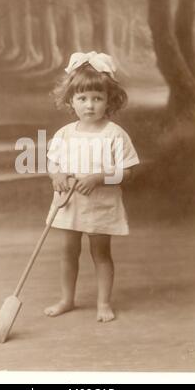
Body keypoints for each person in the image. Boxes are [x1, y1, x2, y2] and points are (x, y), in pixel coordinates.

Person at [45, 51, 139, 322]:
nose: (89, 105)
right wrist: (57, 176)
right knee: (68, 252)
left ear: (110, 100)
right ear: (70, 100)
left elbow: (127, 173)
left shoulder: (114, 135)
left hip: (100, 205)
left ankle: (103, 303)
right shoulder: (65, 134)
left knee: (101, 253)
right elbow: (53, 163)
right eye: (82, 98)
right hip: (69, 203)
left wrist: (99, 178)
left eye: (97, 98)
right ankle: (66, 299)